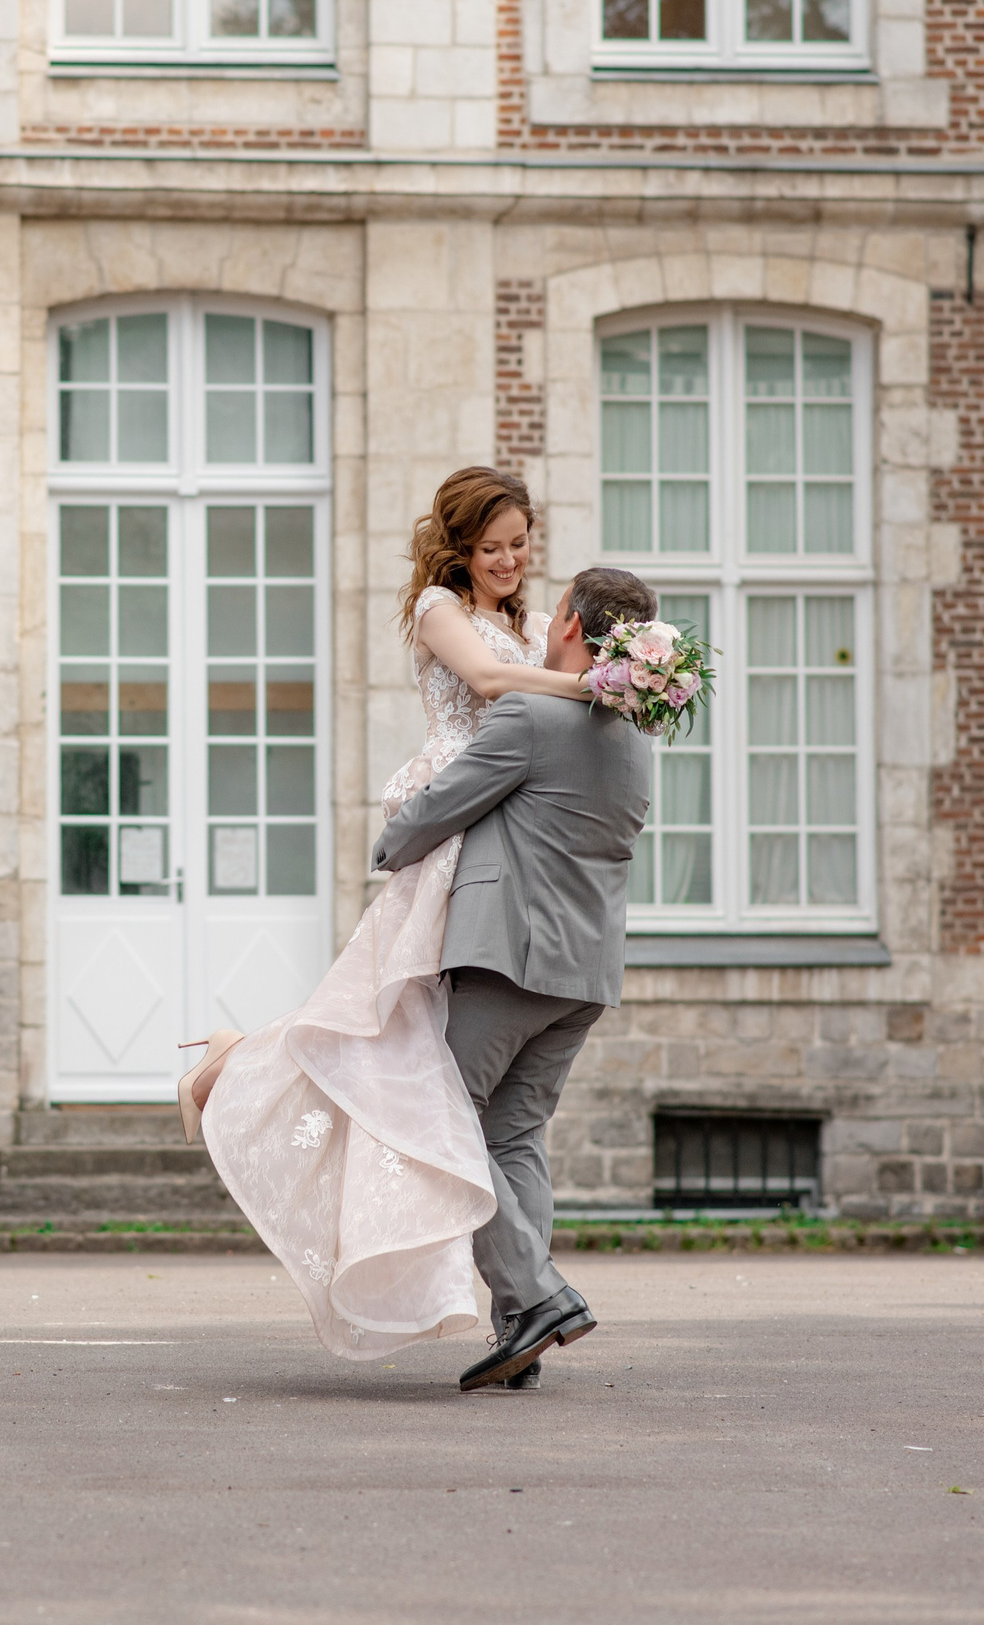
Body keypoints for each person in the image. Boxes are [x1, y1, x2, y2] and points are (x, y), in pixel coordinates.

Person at [182, 467, 610, 1372]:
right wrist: (605, 686)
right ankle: (229, 1063)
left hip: (506, 846)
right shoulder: (438, 609)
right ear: (459, 549)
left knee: (461, 1098)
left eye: (520, 543)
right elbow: (497, 680)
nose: (507, 560)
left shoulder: (538, 624)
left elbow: (549, 673)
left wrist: (626, 676)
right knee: (385, 1040)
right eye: (490, 547)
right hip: (454, 835)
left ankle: (519, 1317)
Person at [371, 564, 658, 1390]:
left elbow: (445, 802)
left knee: (439, 1115)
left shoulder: (530, 716)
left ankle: (537, 1298)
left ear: (566, 621)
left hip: (511, 958)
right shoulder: (637, 737)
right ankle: (521, 1332)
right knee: (513, 1138)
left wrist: (387, 847)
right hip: (586, 973)